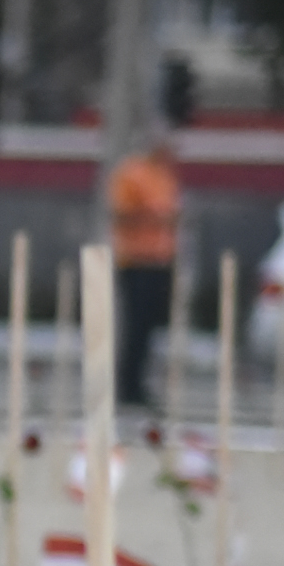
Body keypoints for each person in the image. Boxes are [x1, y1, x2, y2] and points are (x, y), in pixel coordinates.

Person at [106, 134, 181, 408]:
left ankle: (139, 383)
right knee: (135, 326)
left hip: (160, 260)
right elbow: (120, 213)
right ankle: (126, 384)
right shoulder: (132, 174)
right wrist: (155, 218)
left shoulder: (165, 176)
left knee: (151, 326)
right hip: (135, 259)